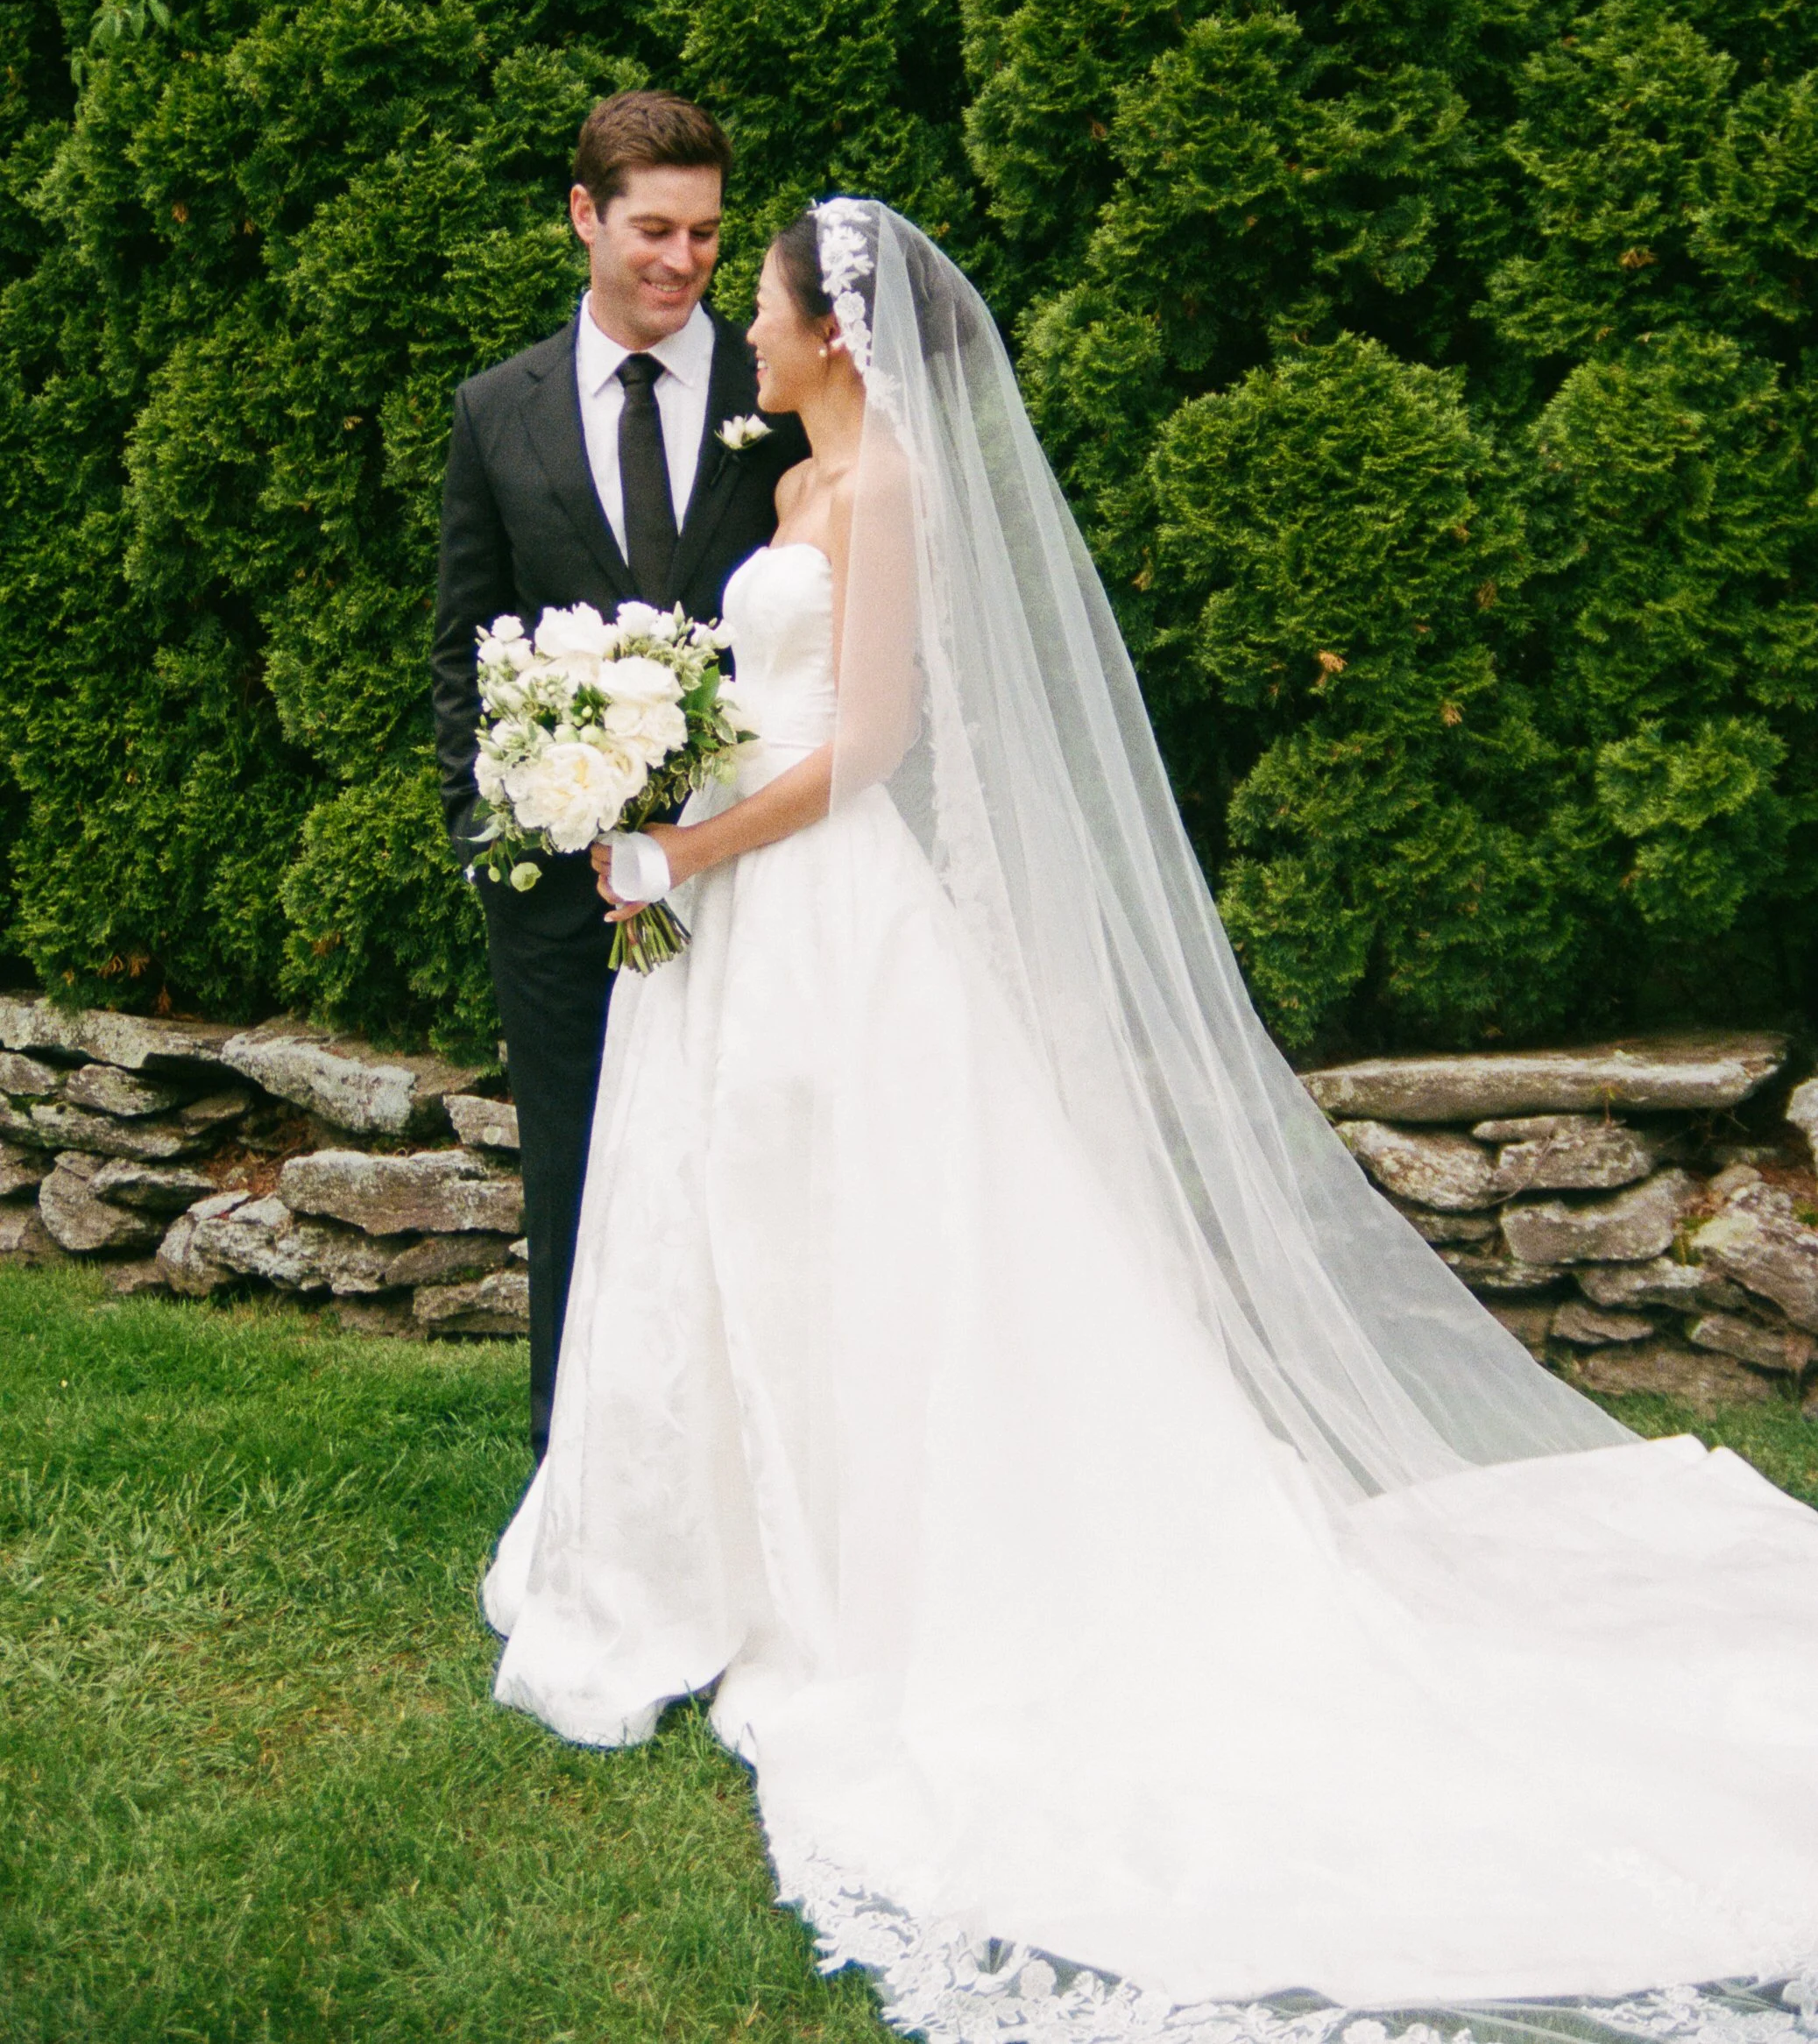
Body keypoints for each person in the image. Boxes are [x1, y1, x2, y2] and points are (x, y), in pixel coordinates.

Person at [485, 200, 1818, 2042]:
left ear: (829, 334)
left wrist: (679, 841)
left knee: (863, 1219)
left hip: (826, 908)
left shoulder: (882, 501)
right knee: (752, 1218)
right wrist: (641, 765)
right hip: (743, 914)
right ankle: (717, 1542)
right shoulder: (791, 491)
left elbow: (865, 745)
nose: (744, 322)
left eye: (765, 296)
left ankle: (875, 1563)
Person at [430, 92, 803, 1458]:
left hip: (754, 870)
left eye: (707, 234)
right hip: (559, 899)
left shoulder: (786, 394)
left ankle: (748, 1475)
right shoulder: (496, 411)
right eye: (654, 227)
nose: (683, 260)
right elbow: (467, 645)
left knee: (742, 1177)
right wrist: (505, 845)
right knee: (579, 1183)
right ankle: (575, 1484)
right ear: (584, 215)